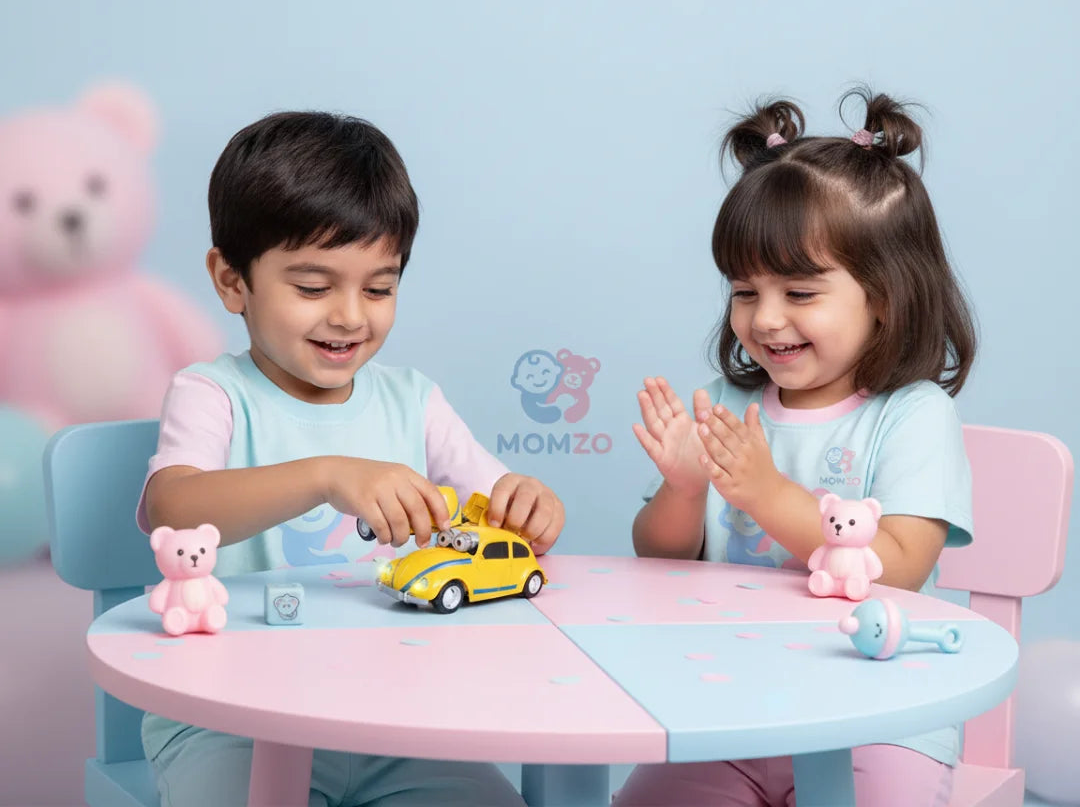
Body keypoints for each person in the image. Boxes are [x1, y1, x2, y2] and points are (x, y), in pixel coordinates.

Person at [136, 111, 564, 807]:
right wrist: (326, 474)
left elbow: (505, 509)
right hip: (228, 719)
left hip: (396, 718)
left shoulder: (413, 401)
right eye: (312, 287)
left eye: (379, 287)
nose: (349, 316)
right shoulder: (212, 394)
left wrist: (530, 504)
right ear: (232, 281)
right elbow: (171, 506)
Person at [617, 89, 977, 807]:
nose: (765, 317)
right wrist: (684, 492)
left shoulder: (913, 416)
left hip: (881, 713)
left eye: (800, 292)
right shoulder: (727, 404)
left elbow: (900, 568)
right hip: (729, 704)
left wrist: (765, 494)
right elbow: (659, 562)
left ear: (885, 295)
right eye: (745, 291)